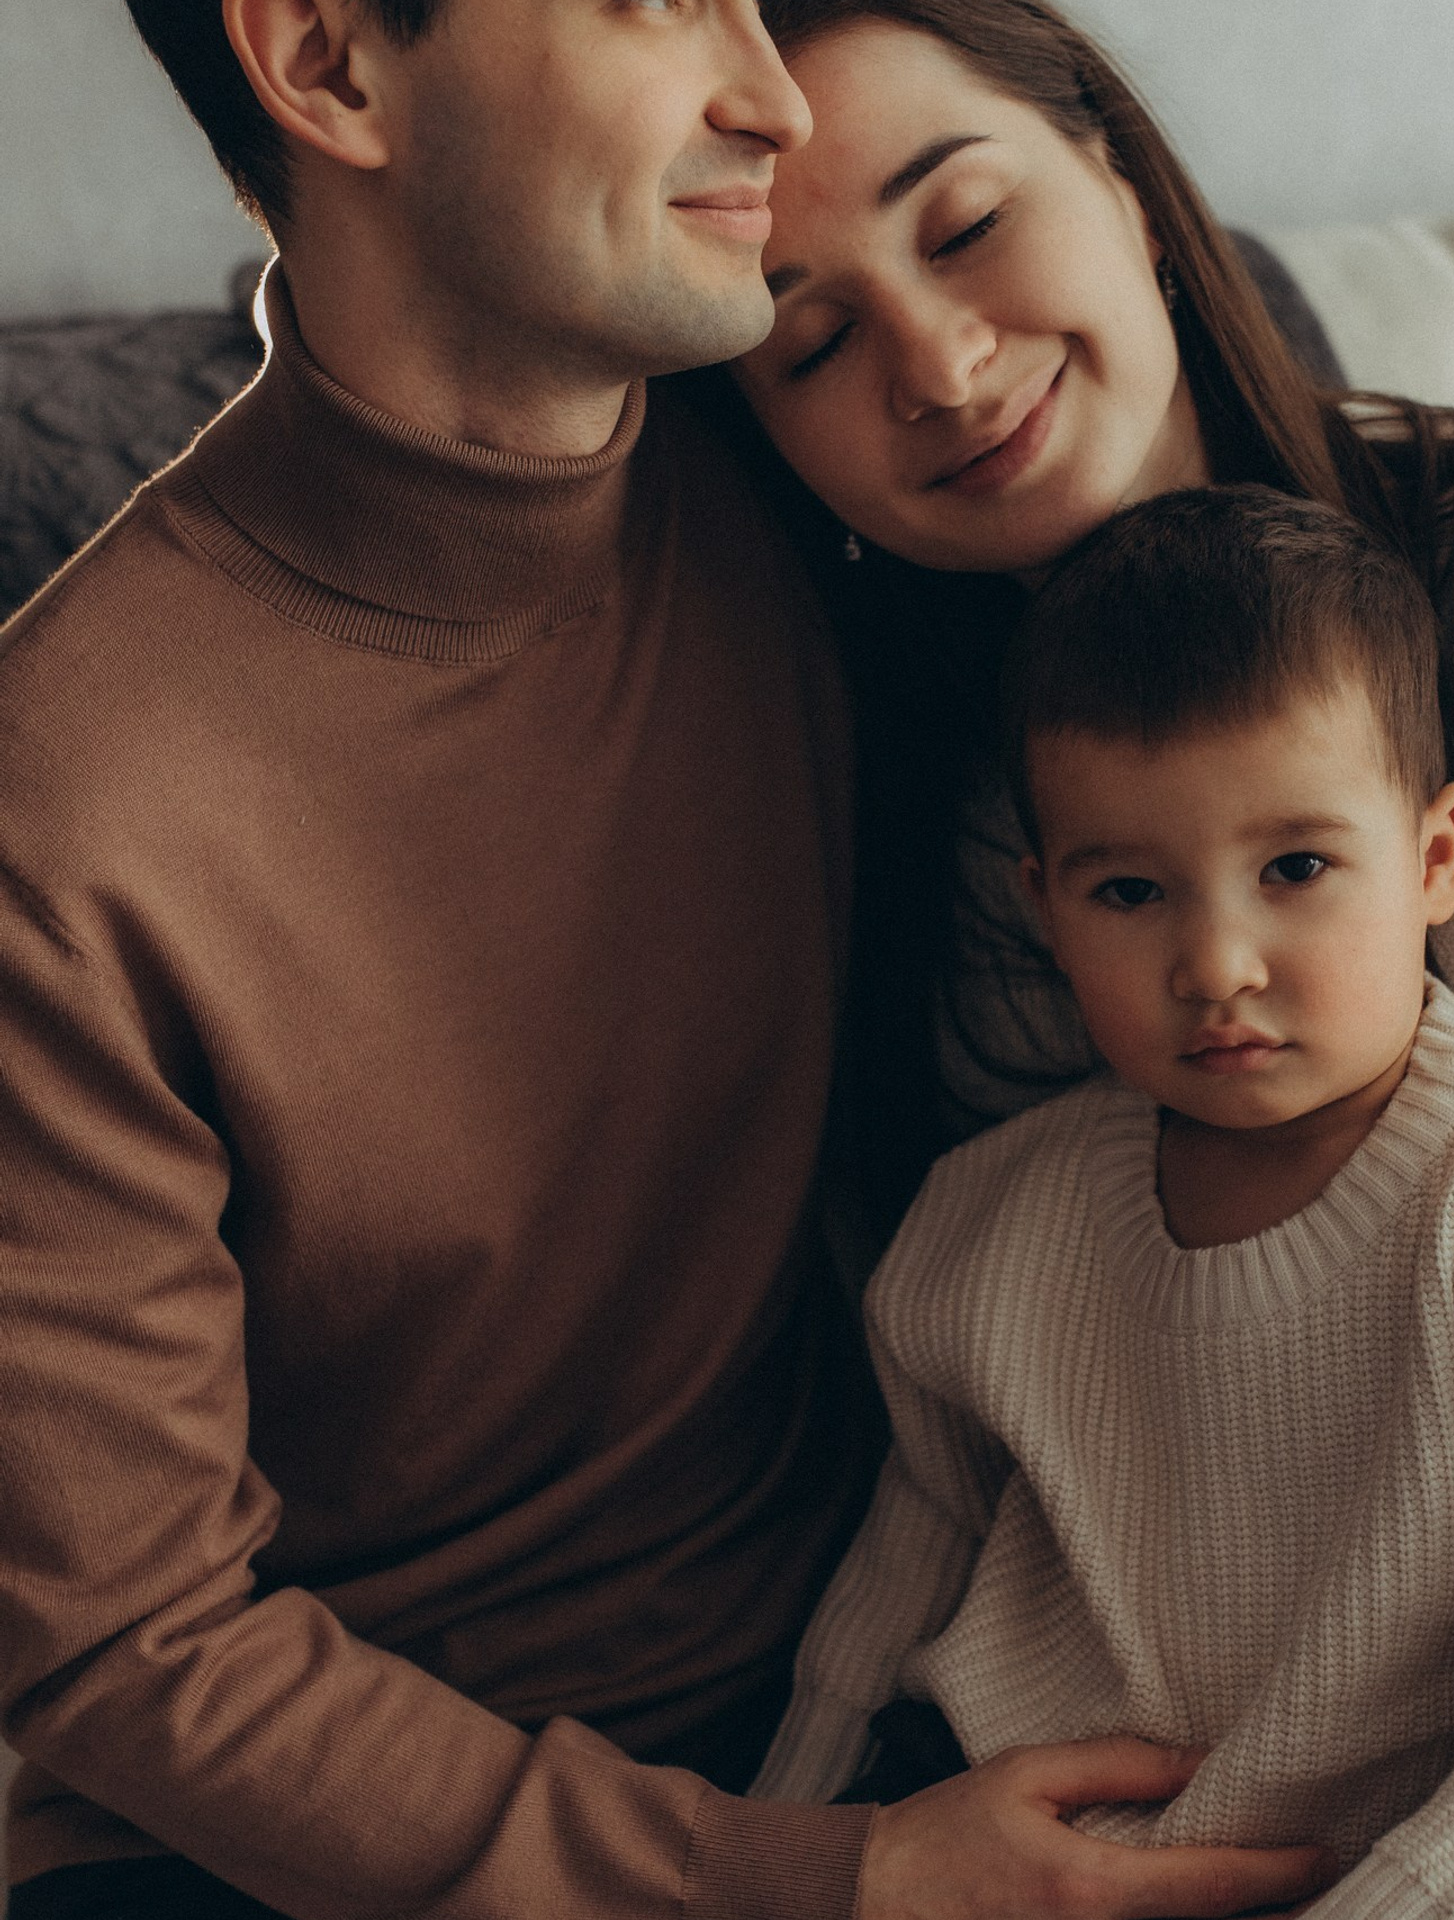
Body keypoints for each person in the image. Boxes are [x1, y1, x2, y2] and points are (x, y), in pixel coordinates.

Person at [0, 3, 1335, 1919]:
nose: (767, 95)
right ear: (328, 67)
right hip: (274, 1857)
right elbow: (125, 1651)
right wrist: (831, 1882)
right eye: (653, 2)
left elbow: (1234, 547)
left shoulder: (806, 479)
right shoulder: (62, 811)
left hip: (869, 1692)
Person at [719, 0, 1454, 1908]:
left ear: (1118, 172)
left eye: (963, 228)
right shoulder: (898, 825)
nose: (938, 368)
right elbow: (972, 1508)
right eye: (809, 339)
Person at [754, 484, 1454, 1920]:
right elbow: (883, 1614)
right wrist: (784, 1861)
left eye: (1295, 868)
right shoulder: (987, 1225)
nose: (1218, 962)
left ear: (1435, 858)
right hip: (1000, 1866)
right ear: (1045, 908)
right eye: (1131, 893)